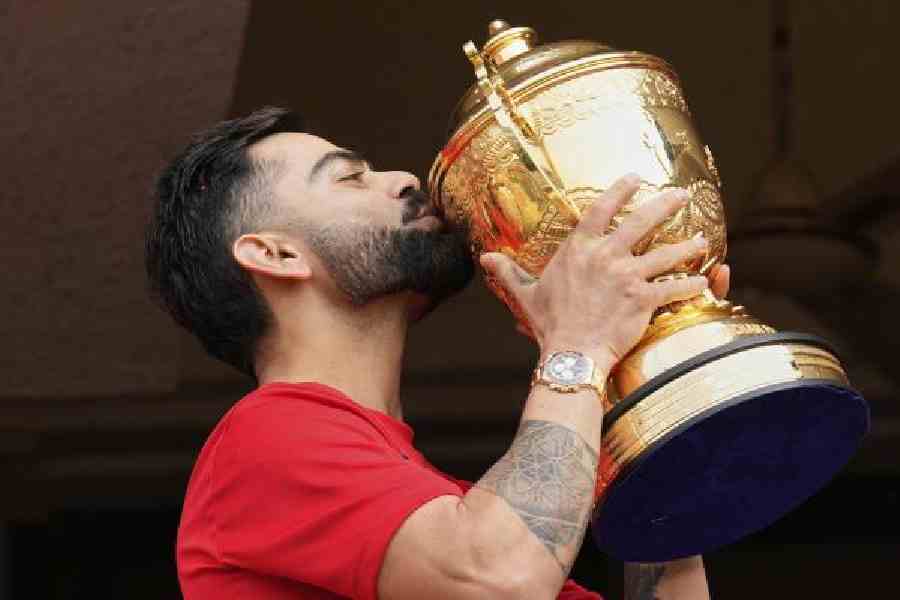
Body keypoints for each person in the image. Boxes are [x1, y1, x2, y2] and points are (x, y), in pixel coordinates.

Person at [146, 106, 728, 599]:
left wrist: (641, 386)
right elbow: (503, 581)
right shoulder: (264, 439)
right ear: (275, 254)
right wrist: (579, 344)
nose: (402, 178)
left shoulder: (452, 511)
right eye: (350, 178)